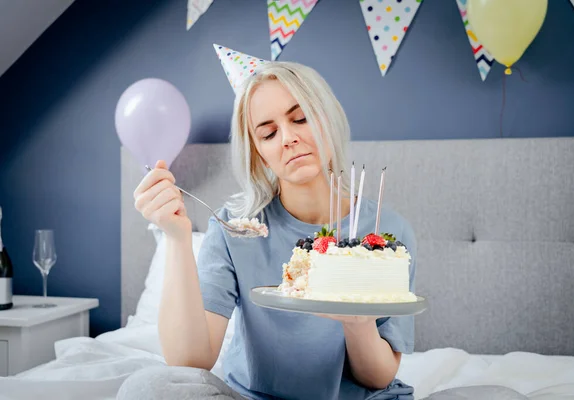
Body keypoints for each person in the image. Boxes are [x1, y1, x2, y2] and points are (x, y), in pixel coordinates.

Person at [118, 62, 527, 400]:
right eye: (269, 132)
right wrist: (175, 238)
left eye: (300, 118)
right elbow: (190, 362)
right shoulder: (233, 228)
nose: (289, 138)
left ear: (327, 119)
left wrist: (356, 321)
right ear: (258, 152)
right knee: (148, 388)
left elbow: (379, 376)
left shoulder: (386, 233)